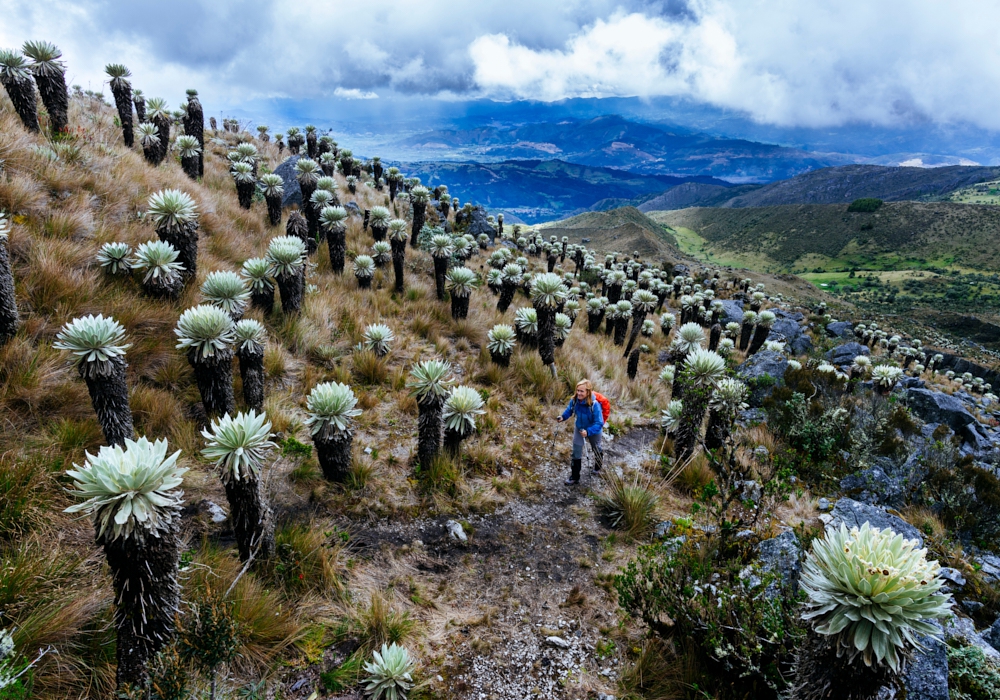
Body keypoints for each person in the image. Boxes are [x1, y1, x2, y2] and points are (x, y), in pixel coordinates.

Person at [555, 379, 605, 485]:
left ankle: (598, 467)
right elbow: (569, 410)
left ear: (588, 392)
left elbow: (599, 422)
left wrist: (588, 431)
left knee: (596, 448)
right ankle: (575, 477)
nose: (579, 393)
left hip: (593, 430)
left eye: (581, 391)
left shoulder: (594, 405)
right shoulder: (574, 400)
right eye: (578, 390)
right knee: (576, 452)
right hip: (579, 428)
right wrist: (563, 417)